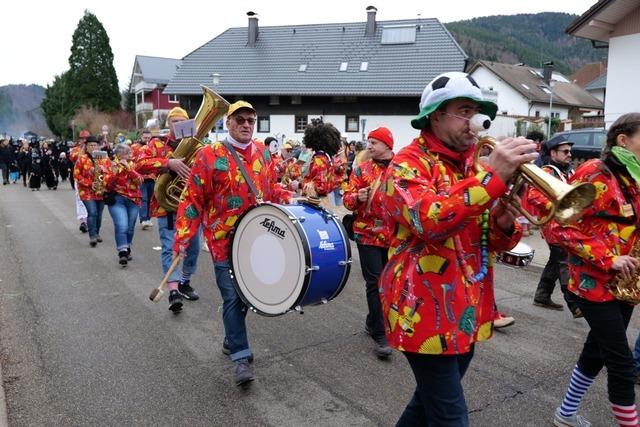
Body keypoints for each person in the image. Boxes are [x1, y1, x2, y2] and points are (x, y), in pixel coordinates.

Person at [378, 72, 538, 426]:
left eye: (478, 112)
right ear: (435, 115)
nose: (477, 122)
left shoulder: (475, 164)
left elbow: (488, 243)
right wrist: (489, 179)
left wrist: (503, 222)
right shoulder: (405, 164)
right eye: (465, 111)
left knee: (427, 404)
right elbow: (430, 222)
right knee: (450, 415)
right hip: (420, 306)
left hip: (467, 305)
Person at [173, 101, 292, 386]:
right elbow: (192, 199)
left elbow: (270, 189)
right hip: (223, 242)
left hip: (257, 241)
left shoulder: (264, 152)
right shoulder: (209, 155)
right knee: (232, 296)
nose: (246, 125)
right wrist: (183, 238)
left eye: (251, 120)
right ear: (228, 123)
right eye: (240, 120)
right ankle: (241, 357)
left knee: (245, 297)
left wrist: (291, 198)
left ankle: (231, 336)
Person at [549, 113, 640, 427]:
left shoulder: (635, 177)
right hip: (594, 282)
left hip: (626, 283)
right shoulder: (595, 173)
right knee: (621, 361)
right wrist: (608, 257)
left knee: (596, 352)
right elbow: (557, 228)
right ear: (623, 140)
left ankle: (565, 413)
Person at [136, 107, 201, 312]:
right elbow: (139, 163)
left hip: (190, 205)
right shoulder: (156, 144)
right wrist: (168, 163)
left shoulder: (197, 146)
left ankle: (184, 281)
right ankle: (173, 291)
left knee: (194, 248)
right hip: (167, 206)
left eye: (183, 121)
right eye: (175, 122)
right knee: (169, 248)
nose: (179, 125)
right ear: (169, 124)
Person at [343, 126, 396, 359]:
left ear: (387, 145)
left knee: (390, 283)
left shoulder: (402, 169)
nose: (369, 146)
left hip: (395, 236)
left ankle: (371, 321)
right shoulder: (362, 169)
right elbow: (347, 199)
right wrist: (357, 197)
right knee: (375, 282)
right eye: (369, 142)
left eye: (374, 142)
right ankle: (380, 334)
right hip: (367, 234)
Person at [527, 136, 582, 317]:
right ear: (553, 153)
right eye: (565, 151)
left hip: (567, 225)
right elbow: (533, 196)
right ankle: (574, 304)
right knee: (564, 261)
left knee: (555, 262)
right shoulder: (546, 172)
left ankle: (542, 296)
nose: (569, 154)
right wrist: (558, 207)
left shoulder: (569, 171)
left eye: (570, 151)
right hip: (554, 226)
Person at [105, 143, 142, 266]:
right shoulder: (110, 164)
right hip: (117, 199)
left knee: (130, 227)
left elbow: (140, 180)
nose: (130, 155)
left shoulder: (134, 164)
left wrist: (129, 169)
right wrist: (116, 173)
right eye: (127, 153)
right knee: (122, 225)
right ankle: (122, 252)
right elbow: (107, 185)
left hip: (133, 200)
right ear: (119, 155)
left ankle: (127, 246)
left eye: (130, 153)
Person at [74, 136, 111, 247]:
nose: (93, 147)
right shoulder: (82, 158)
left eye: (95, 145)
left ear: (98, 146)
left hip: (101, 189)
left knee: (99, 214)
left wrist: (104, 172)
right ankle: (92, 236)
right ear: (87, 147)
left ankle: (97, 233)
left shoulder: (103, 157)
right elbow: (76, 175)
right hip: (86, 191)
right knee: (92, 212)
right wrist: (89, 183)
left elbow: (110, 173)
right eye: (90, 145)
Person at [300, 119, 344, 200]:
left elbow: (321, 186)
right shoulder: (326, 156)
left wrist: (300, 184)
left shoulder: (319, 159)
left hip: (318, 200)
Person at [131, 129, 155, 230]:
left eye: (149, 138)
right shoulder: (134, 147)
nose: (147, 140)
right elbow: (131, 160)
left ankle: (148, 218)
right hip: (140, 177)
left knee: (151, 199)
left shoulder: (154, 147)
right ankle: (143, 219)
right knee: (143, 198)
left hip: (152, 177)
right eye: (145, 138)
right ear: (140, 137)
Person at [70, 131, 90, 232]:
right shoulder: (75, 150)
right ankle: (83, 221)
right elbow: (75, 158)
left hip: (92, 179)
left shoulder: (93, 150)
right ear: (79, 140)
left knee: (93, 199)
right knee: (80, 199)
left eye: (86, 138)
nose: (84, 140)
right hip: (80, 178)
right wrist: (83, 149)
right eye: (82, 139)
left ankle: (91, 219)